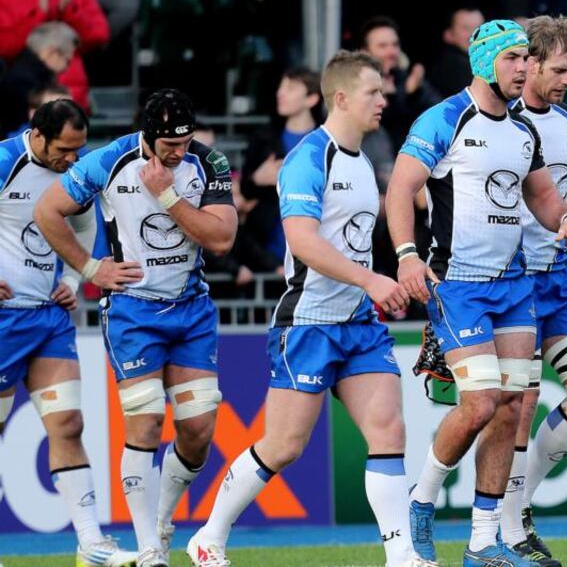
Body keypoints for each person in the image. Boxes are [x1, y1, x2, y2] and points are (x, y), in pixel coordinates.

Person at [185, 50, 432, 567]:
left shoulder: (363, 161)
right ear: (341, 97)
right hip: (308, 323)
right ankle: (209, 535)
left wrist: (395, 275)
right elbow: (301, 240)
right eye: (373, 92)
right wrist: (371, 279)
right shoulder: (307, 158)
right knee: (283, 446)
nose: (383, 101)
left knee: (389, 431)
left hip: (358, 323)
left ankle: (402, 555)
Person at [386, 19, 567, 567]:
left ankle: (482, 541)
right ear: (483, 63)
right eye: (513, 59)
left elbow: (542, 195)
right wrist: (406, 254)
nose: (524, 68)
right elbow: (400, 188)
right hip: (459, 287)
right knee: (479, 403)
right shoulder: (445, 118)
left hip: (514, 285)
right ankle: (421, 498)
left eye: (527, 59)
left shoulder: (522, 129)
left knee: (512, 406)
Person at [35, 89, 238, 567]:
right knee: (145, 421)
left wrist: (168, 195)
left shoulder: (210, 162)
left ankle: (161, 523)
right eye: (169, 144)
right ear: (147, 137)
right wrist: (90, 269)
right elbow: (48, 210)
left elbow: (222, 238)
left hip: (190, 309)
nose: (179, 152)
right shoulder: (110, 160)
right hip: (133, 311)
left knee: (198, 430)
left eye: (185, 142)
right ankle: (149, 547)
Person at [0, 100, 134, 567]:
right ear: (37, 134)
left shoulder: (75, 171)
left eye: (79, 149)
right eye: (64, 150)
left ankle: (91, 544)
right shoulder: (4, 162)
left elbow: (82, 219)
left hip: (48, 318)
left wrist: (75, 278)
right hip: (3, 321)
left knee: (69, 424)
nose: (73, 159)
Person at [500, 16, 567, 567]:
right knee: (519, 406)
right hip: (514, 277)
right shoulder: (504, 120)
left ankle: (518, 505)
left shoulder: (565, 119)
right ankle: (507, 527)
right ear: (532, 63)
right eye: (560, 70)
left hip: (561, 279)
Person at [240, 67, 323, 269]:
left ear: (311, 99)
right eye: (281, 87)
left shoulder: (326, 141)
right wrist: (257, 179)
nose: (280, 93)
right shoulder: (264, 137)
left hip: (318, 246)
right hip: (270, 249)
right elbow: (245, 189)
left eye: (291, 88)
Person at [0, 0, 110, 111]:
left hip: (72, 94)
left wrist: (70, 9)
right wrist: (39, 15)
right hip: (25, 96)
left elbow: (99, 35)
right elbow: (4, 45)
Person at [360, 16, 441, 153]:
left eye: (395, 45)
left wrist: (412, 93)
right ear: (365, 52)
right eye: (382, 46)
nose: (391, 52)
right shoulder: (357, 83)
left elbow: (439, 113)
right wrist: (400, 95)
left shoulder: (408, 78)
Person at [0, 22, 77, 135]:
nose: (66, 67)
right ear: (52, 52)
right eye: (67, 60)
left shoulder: (23, 74)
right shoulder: (26, 83)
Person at [428, 7, 485, 98]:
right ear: (448, 34)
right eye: (466, 28)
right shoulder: (455, 64)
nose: (474, 34)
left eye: (479, 28)